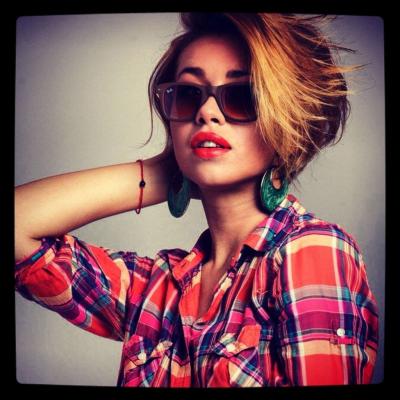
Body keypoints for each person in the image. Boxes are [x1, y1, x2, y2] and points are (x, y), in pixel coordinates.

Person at [15, 12, 379, 387]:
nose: (206, 112)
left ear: (284, 121)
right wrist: (169, 168)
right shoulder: (154, 290)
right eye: (188, 96)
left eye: (241, 96)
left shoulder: (312, 250)